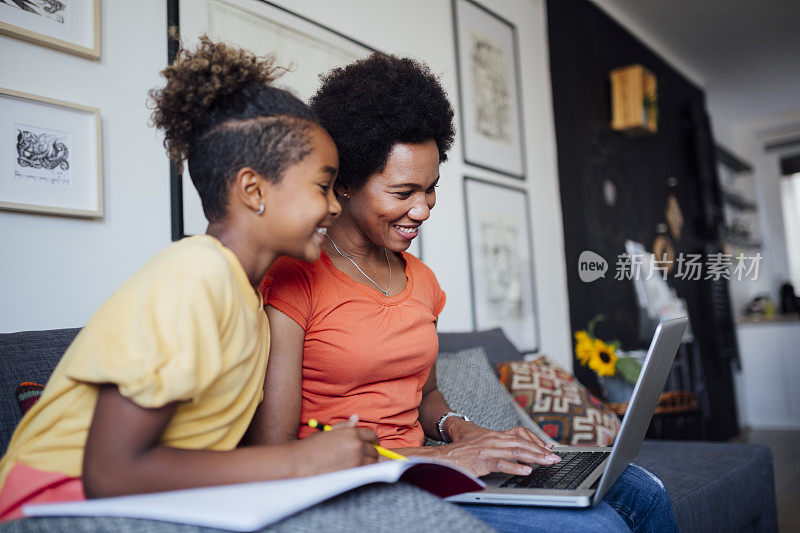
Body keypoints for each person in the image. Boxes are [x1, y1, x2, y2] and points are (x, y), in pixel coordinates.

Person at [252, 52, 678, 533]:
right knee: (597, 527)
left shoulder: (422, 281)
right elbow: (275, 448)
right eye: (403, 192)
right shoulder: (294, 278)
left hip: (430, 467)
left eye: (430, 189)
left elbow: (426, 393)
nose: (423, 209)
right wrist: (449, 457)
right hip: (357, 484)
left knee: (640, 488)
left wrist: (461, 429)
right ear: (346, 182)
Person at [0, 35, 382, 522]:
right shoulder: (196, 277)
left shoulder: (247, 298)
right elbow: (111, 473)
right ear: (252, 189)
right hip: (50, 501)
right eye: (323, 186)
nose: (334, 205)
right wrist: (302, 460)